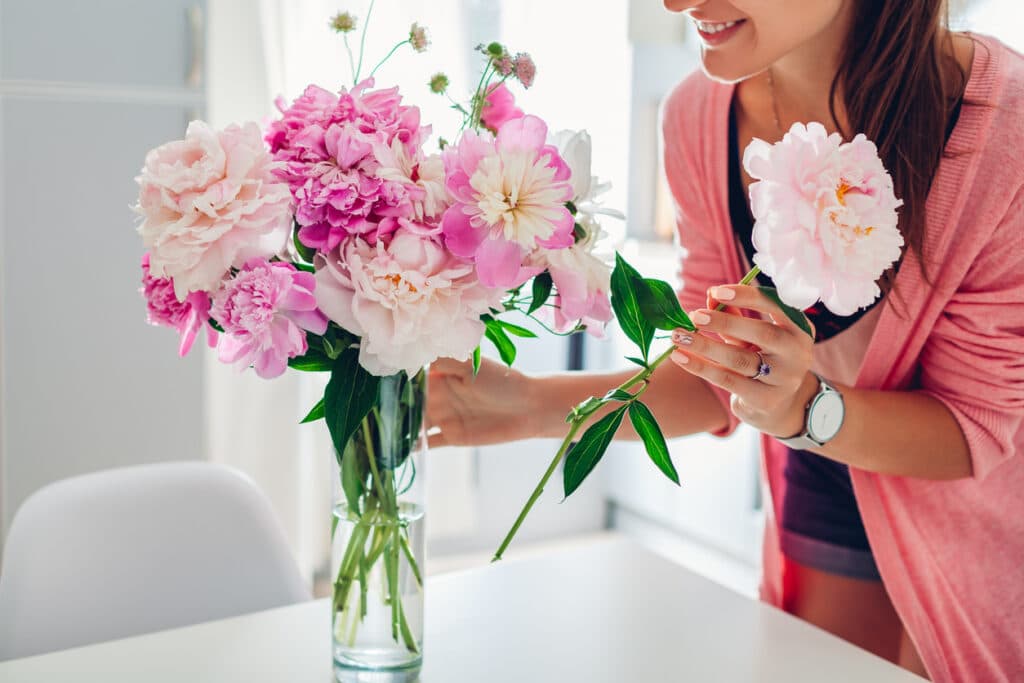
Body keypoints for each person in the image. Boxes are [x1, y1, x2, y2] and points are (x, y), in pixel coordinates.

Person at [427, 1, 1024, 679]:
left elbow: (971, 426)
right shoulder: (697, 118)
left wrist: (805, 408)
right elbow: (714, 376)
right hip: (825, 471)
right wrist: (532, 405)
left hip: (981, 525)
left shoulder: (1005, 130)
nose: (677, 2)